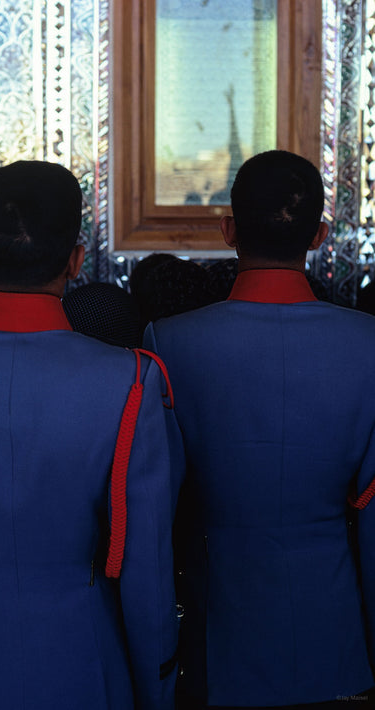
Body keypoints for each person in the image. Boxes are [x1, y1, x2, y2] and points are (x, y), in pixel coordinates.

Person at [0, 160, 180, 710]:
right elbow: (146, 573)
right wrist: (157, 686)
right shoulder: (130, 379)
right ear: (77, 260)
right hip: (86, 661)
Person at [144, 150, 375, 709]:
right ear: (319, 235)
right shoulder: (367, 342)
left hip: (215, 631)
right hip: (335, 632)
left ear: (228, 230)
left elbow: (156, 515)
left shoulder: (168, 342)